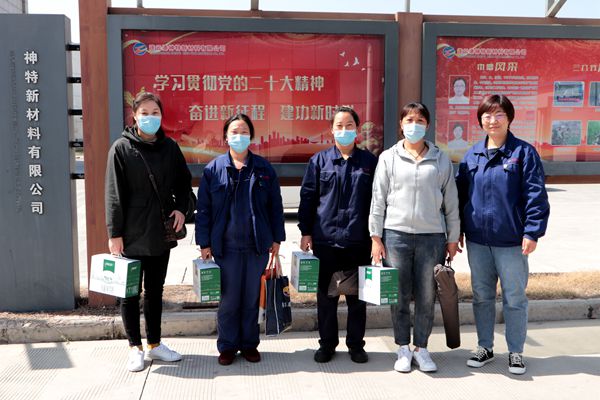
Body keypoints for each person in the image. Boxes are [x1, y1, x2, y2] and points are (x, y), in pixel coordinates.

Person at [456, 94, 550, 375]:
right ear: (480, 120)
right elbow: (461, 196)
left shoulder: (523, 153)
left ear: (509, 118)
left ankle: (516, 351)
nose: (493, 120)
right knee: (482, 296)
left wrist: (532, 232)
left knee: (514, 297)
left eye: (499, 114)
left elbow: (535, 195)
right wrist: (458, 230)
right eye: (487, 115)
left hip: (511, 242)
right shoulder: (472, 155)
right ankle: (484, 347)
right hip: (478, 241)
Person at [370, 102, 460, 373]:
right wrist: (375, 236)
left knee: (426, 295)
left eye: (420, 120)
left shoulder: (440, 158)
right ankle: (402, 347)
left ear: (427, 125)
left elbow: (451, 201)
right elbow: (378, 199)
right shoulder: (389, 157)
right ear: (401, 124)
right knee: (398, 295)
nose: (414, 125)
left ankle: (421, 348)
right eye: (409, 120)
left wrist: (453, 237)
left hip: (431, 237)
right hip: (395, 236)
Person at [105, 91, 192, 372]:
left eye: (155, 113)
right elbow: (114, 195)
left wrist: (181, 209)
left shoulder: (170, 148)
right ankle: (135, 347)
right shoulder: (121, 149)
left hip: (160, 234)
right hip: (130, 235)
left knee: (155, 291)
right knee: (129, 293)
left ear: (161, 116)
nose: (150, 118)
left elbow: (183, 184)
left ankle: (155, 344)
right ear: (134, 116)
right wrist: (114, 234)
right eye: (144, 113)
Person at [195, 113, 285, 366]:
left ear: (251, 136)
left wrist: (277, 238)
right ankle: (227, 346)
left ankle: (249, 344)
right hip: (226, 248)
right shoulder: (213, 170)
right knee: (229, 301)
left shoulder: (264, 169)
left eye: (244, 131)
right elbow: (204, 210)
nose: (239, 136)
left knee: (251, 299)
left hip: (257, 246)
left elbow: (275, 207)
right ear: (226, 137)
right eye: (234, 132)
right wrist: (204, 243)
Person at [298, 106, 377, 364]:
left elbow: (378, 202)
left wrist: (376, 237)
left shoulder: (369, 162)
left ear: (357, 130)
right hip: (326, 240)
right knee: (326, 297)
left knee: (357, 298)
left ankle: (356, 345)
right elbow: (308, 198)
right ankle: (327, 344)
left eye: (349, 126)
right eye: (339, 126)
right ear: (331, 130)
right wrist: (306, 231)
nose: (344, 130)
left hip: (358, 240)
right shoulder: (319, 161)